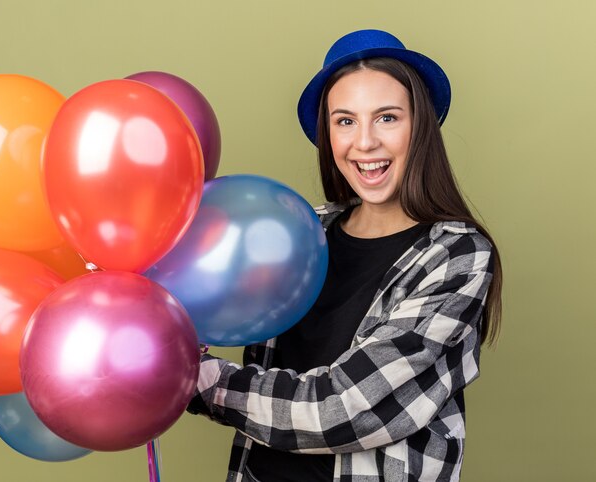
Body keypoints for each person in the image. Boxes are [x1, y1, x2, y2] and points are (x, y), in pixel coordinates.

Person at [188, 29, 503, 482]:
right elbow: (194, 300)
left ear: (421, 127)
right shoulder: (299, 232)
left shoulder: (456, 255)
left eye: (388, 118)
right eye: (346, 121)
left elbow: (345, 408)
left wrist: (196, 380)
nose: (366, 142)